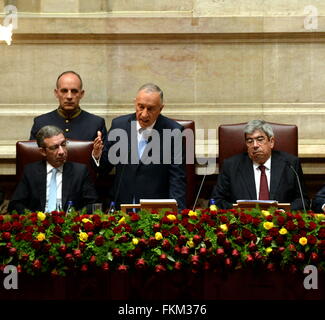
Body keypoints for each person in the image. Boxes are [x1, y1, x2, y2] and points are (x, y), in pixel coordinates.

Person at [93, 83, 186, 210]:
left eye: (151, 108)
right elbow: (104, 168)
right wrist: (97, 155)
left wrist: (176, 213)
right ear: (135, 103)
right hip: (122, 206)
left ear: (161, 108)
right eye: (140, 107)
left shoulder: (173, 131)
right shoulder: (119, 125)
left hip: (155, 209)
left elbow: (177, 178)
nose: (144, 114)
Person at [211, 119, 309, 211]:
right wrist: (241, 211)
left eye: (260, 139)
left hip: (281, 224)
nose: (255, 145)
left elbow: (303, 201)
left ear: (271, 142)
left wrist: (283, 212)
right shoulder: (231, 166)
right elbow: (215, 201)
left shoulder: (290, 164)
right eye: (250, 141)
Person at [8, 125, 98, 213]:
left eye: (63, 144)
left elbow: (93, 204)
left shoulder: (80, 171)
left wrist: (73, 217)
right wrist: (35, 218)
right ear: (43, 152)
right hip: (39, 223)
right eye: (54, 148)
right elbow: (15, 204)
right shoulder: (30, 171)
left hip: (69, 223)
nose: (61, 152)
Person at [29, 71, 107, 143]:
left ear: (81, 94)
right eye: (64, 91)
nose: (69, 96)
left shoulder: (96, 124)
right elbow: (32, 156)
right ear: (56, 93)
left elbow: (103, 157)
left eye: (74, 91)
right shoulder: (41, 123)